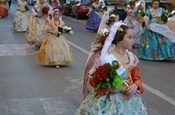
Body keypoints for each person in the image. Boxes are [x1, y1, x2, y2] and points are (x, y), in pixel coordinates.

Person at [75, 21, 147, 114]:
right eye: (129, 37)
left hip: (127, 100)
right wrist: (107, 87)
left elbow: (137, 78)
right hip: (105, 101)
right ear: (120, 39)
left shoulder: (132, 58)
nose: (133, 40)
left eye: (133, 37)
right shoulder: (106, 57)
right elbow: (93, 81)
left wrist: (136, 85)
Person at [83, 13, 117, 99]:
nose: (113, 24)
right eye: (112, 22)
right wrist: (103, 45)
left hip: (112, 53)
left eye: (114, 22)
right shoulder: (103, 30)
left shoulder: (116, 31)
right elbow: (95, 43)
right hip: (101, 53)